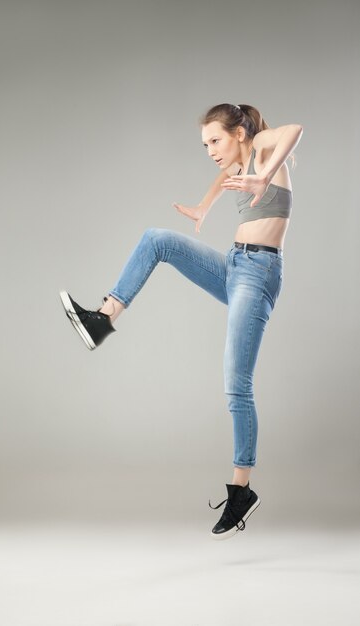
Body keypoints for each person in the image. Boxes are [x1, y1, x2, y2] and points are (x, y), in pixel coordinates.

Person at [60, 103, 303, 540]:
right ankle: (103, 318)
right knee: (157, 239)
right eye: (205, 143)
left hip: (260, 273)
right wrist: (202, 207)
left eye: (215, 140)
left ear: (241, 132)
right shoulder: (238, 163)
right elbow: (219, 178)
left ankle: (241, 488)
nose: (210, 150)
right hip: (232, 265)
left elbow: (296, 129)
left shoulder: (263, 148)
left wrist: (265, 176)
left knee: (236, 384)